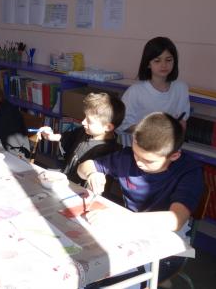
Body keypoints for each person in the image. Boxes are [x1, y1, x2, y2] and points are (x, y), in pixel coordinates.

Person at [77, 112, 204, 288]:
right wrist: (92, 173)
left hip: (169, 243)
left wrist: (121, 219)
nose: (138, 163)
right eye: (136, 154)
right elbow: (83, 167)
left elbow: (175, 220)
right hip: (129, 232)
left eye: (148, 160)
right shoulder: (127, 157)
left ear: (174, 156)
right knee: (81, 265)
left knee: (99, 283)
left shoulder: (189, 171)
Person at [37, 92, 124, 184]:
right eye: (85, 117)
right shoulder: (85, 131)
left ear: (108, 127)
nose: (83, 122)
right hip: (66, 179)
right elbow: (68, 137)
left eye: (89, 121)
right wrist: (52, 136)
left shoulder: (110, 152)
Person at [119, 37, 190, 132]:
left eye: (168, 60)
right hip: (141, 144)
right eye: (157, 61)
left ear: (174, 61)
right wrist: (150, 132)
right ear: (148, 63)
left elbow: (183, 117)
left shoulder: (181, 88)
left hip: (169, 143)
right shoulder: (135, 91)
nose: (164, 65)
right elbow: (123, 125)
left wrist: (180, 125)